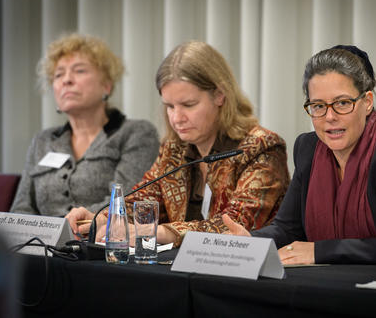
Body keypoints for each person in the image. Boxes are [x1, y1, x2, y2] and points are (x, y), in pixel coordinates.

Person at [224, 45, 376, 264]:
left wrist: (321, 251)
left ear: (367, 102)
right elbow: (287, 229)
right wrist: (250, 240)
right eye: (318, 106)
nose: (329, 117)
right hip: (323, 284)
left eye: (342, 103)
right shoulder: (307, 148)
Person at [67, 40, 290, 246]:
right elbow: (142, 202)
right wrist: (101, 218)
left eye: (189, 104)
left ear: (220, 95)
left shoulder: (261, 148)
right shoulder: (174, 150)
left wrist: (163, 232)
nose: (177, 118)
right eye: (170, 106)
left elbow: (236, 226)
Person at [11, 33, 159, 217]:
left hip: (102, 241)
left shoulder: (136, 133)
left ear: (106, 85)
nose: (66, 80)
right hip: (41, 244)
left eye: (79, 70)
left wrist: (74, 225)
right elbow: (21, 208)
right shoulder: (43, 141)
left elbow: (128, 202)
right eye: (58, 75)